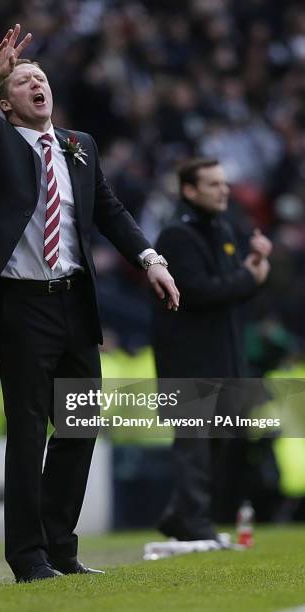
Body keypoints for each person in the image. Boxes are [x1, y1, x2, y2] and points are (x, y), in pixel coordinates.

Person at [0, 24, 179, 582]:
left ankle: (60, 549)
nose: (36, 83)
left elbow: (110, 210)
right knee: (28, 430)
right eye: (24, 79)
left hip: (74, 302)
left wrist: (150, 260)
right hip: (21, 305)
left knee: (79, 425)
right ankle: (27, 557)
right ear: (7, 101)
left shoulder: (80, 146)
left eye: (41, 77)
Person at [152, 158, 272, 541]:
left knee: (220, 443)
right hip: (189, 359)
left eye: (225, 183)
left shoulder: (222, 228)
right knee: (194, 445)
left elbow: (234, 289)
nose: (224, 190)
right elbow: (199, 292)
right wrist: (248, 276)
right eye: (213, 184)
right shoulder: (176, 236)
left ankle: (179, 515)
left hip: (225, 354)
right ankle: (196, 524)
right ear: (189, 190)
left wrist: (255, 266)